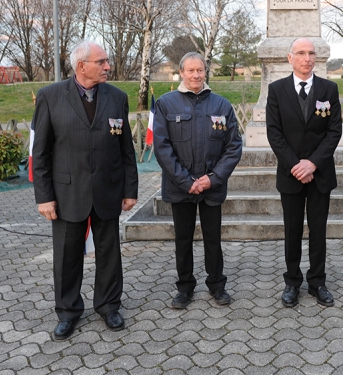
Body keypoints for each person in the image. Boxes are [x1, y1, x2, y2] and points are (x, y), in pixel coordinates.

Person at [32, 41, 138, 340]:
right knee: (67, 256)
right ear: (82, 66)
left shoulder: (117, 97)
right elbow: (40, 153)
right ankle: (68, 312)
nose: (108, 67)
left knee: (109, 252)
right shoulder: (50, 97)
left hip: (108, 189)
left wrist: (130, 189)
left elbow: (125, 148)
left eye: (107, 61)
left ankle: (108, 306)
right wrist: (44, 196)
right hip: (67, 193)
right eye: (102, 62)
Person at [152, 52, 243, 309]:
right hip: (180, 187)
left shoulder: (221, 105)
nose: (195, 75)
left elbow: (233, 146)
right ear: (181, 72)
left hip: (211, 187)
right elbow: (162, 148)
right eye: (190, 70)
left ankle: (217, 285)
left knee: (213, 238)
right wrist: (186, 181)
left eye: (200, 70)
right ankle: (184, 288)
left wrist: (211, 179)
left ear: (206, 72)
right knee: (183, 239)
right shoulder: (166, 104)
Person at [266, 38, 343, 308]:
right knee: (293, 230)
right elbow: (274, 133)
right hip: (290, 175)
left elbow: (334, 131)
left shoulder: (329, 89)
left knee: (318, 230)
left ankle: (317, 282)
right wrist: (295, 166)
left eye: (311, 53)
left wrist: (312, 164)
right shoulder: (276, 90)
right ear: (290, 58)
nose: (307, 58)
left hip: (320, 174)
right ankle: (292, 282)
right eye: (301, 53)